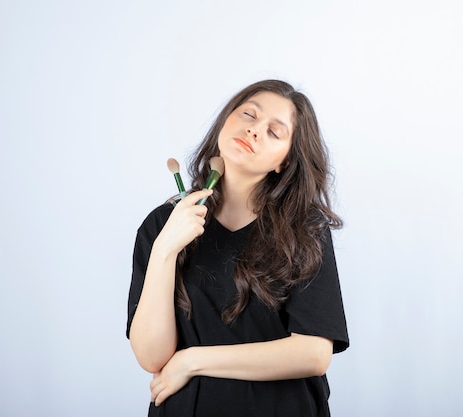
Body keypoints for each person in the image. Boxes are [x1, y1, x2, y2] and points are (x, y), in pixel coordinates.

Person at [126, 79, 349, 417]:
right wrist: (165, 250)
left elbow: (314, 353)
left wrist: (193, 360)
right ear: (226, 120)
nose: (255, 130)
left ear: (284, 162)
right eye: (249, 114)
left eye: (274, 132)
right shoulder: (162, 224)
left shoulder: (303, 229)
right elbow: (152, 357)